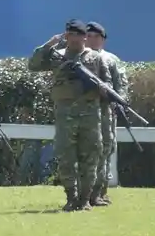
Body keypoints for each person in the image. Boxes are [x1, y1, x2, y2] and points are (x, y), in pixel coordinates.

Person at [28, 21, 116, 211]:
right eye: (71, 35)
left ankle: (85, 199)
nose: (75, 39)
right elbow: (33, 65)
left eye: (79, 35)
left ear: (85, 37)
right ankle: (71, 197)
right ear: (65, 36)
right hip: (65, 113)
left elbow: (108, 82)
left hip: (90, 115)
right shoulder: (56, 56)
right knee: (66, 156)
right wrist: (48, 45)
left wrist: (103, 88)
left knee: (91, 157)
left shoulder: (96, 58)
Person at [85, 21, 127, 207]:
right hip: (84, 113)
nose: (92, 40)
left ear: (103, 39)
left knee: (106, 150)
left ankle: (100, 192)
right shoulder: (79, 58)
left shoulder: (111, 60)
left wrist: (120, 102)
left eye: (97, 36)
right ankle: (84, 194)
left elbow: (122, 84)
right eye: (89, 36)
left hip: (105, 112)